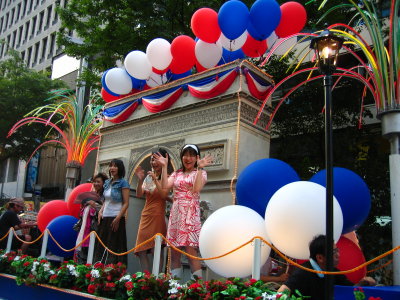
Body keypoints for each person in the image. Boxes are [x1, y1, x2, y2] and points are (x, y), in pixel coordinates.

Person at [154, 144, 213, 279]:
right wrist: (164, 167)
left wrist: (199, 168)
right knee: (174, 252)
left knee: (191, 251)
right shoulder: (176, 173)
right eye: (185, 155)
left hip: (190, 215)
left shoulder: (201, 172)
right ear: (181, 157)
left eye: (192, 155)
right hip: (176, 213)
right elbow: (164, 186)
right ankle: (175, 287)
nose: (188, 158)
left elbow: (197, 188)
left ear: (197, 157)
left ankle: (195, 289)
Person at [278, 235, 375, 299]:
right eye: (334, 252)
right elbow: (281, 293)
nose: (338, 255)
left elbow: (350, 289)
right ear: (320, 258)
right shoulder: (303, 272)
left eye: (337, 250)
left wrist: (363, 282)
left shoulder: (333, 271)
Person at [134, 148, 171, 272]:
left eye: (156, 159)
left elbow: (164, 195)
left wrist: (156, 179)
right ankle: (145, 278)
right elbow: (139, 194)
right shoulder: (148, 178)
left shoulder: (167, 177)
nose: (153, 162)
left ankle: (156, 277)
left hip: (157, 216)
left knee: (156, 249)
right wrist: (140, 180)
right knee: (141, 250)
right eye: (152, 160)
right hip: (145, 215)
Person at [94, 159, 130, 265]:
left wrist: (118, 218)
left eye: (115, 166)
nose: (112, 168)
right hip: (105, 217)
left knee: (115, 245)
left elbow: (126, 203)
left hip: (116, 217)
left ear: (120, 168)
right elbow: (106, 200)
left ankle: (114, 271)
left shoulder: (123, 183)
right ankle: (99, 268)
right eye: (111, 166)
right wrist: (100, 211)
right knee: (101, 245)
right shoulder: (107, 182)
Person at [74, 172, 108, 264]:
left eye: (98, 182)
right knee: (81, 255)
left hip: (95, 230)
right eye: (94, 182)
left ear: (104, 183)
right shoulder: (90, 195)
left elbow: (106, 211)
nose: (96, 184)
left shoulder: (105, 197)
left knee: (91, 254)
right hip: (84, 229)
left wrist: (95, 205)